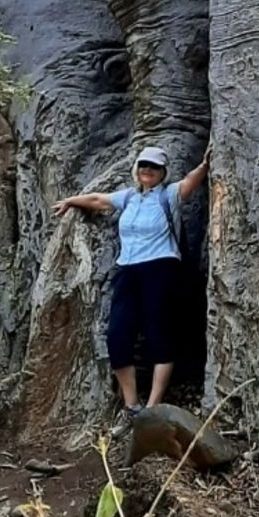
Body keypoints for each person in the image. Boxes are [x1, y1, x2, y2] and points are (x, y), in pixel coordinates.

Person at [52, 143, 209, 420]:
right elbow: (99, 201)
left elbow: (190, 182)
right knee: (117, 337)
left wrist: (206, 163)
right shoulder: (129, 197)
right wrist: (71, 200)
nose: (148, 170)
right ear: (136, 169)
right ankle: (131, 404)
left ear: (163, 173)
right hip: (127, 271)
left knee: (157, 334)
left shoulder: (169, 195)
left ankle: (152, 408)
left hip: (160, 269)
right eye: (143, 165)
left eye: (154, 167)